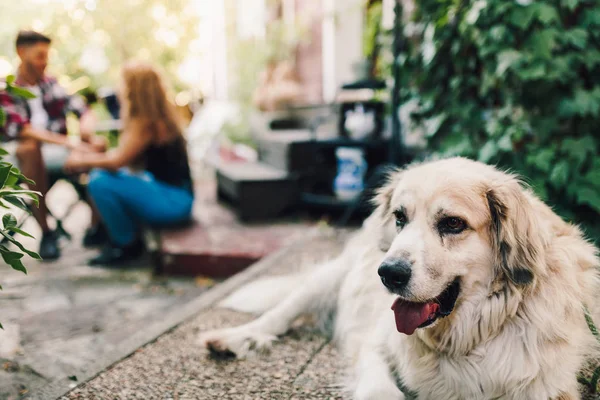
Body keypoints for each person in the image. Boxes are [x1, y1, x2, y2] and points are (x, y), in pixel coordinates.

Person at [64, 61, 194, 266]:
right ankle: (107, 233)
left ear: (135, 88)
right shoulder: (154, 117)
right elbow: (122, 157)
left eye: (123, 83)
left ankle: (126, 245)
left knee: (100, 181)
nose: (119, 88)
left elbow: (117, 161)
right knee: (104, 176)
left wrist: (82, 160)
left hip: (174, 202)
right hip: (175, 197)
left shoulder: (146, 122)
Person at [0, 30, 107, 260]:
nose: (44, 62)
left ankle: (96, 227)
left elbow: (82, 109)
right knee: (29, 147)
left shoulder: (51, 84)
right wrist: (69, 143)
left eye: (46, 56)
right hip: (18, 158)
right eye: (39, 56)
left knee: (97, 145)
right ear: (21, 52)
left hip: (56, 152)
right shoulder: (6, 89)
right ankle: (47, 232)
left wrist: (87, 130)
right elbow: (22, 130)